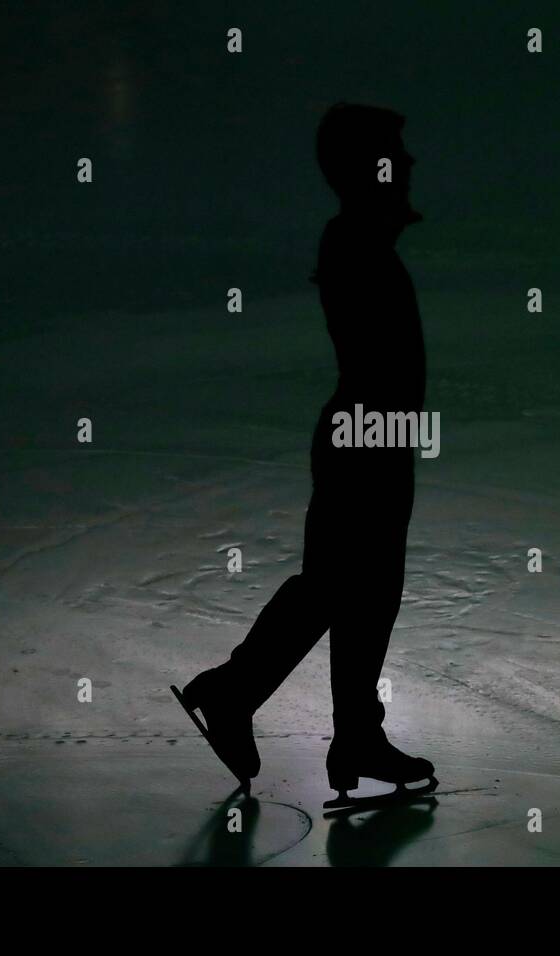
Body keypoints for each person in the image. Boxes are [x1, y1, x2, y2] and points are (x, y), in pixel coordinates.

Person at [175, 103, 434, 799]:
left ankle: (346, 731)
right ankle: (246, 696)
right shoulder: (354, 241)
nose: (409, 164)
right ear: (370, 168)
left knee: (358, 594)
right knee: (343, 589)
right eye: (395, 155)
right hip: (365, 442)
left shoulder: (357, 238)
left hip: (373, 439)